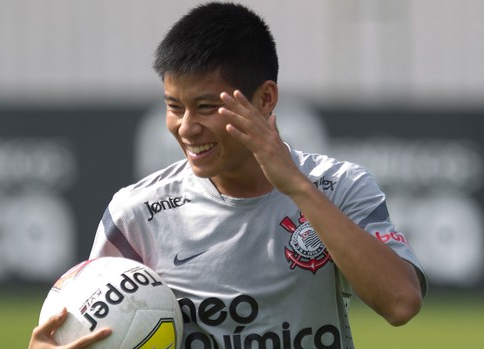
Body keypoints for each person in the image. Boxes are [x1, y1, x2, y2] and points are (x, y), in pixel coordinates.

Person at [29, 2, 427, 348]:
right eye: (174, 106)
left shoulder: (338, 187)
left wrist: (298, 190)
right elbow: (94, 329)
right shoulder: (137, 213)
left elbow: (400, 303)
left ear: (265, 98)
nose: (185, 128)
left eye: (205, 107)